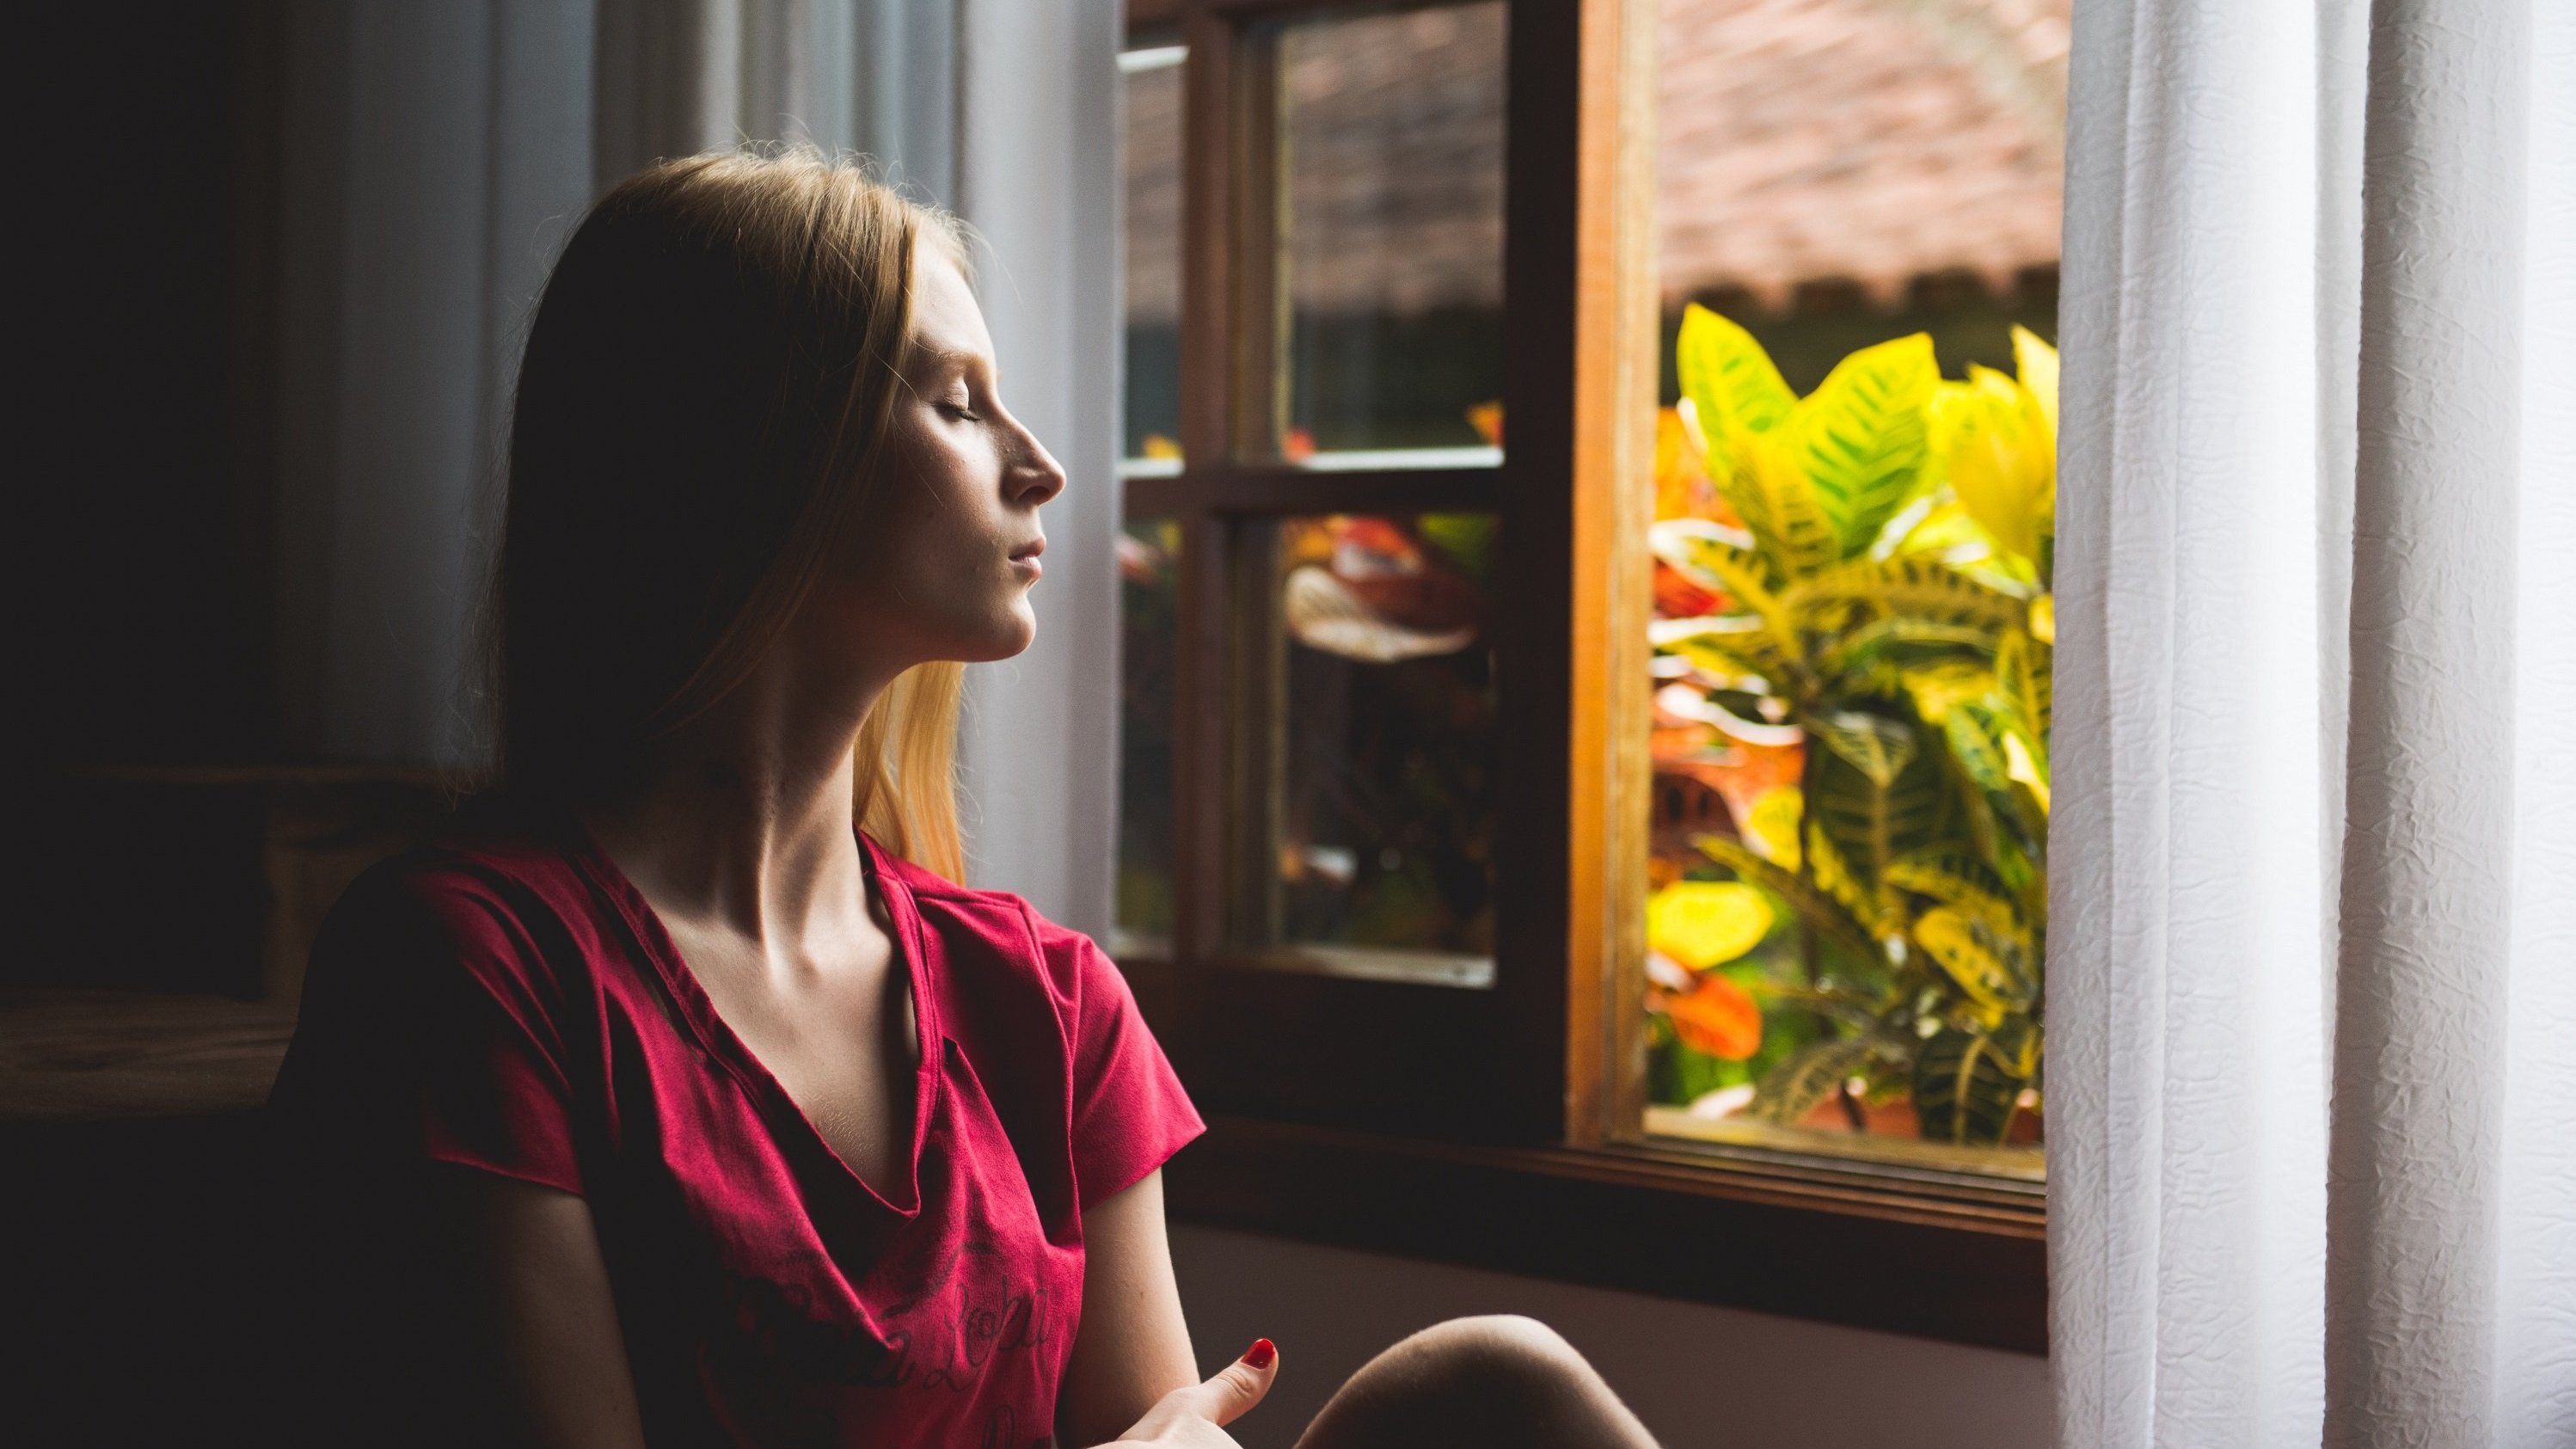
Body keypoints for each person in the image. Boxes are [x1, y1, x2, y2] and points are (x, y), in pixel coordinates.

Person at [267, 148, 1658, 1449]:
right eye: (956, 400)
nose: (1041, 465)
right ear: (757, 451)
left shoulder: (1043, 1004)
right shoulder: (469, 971)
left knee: (1500, 1377)